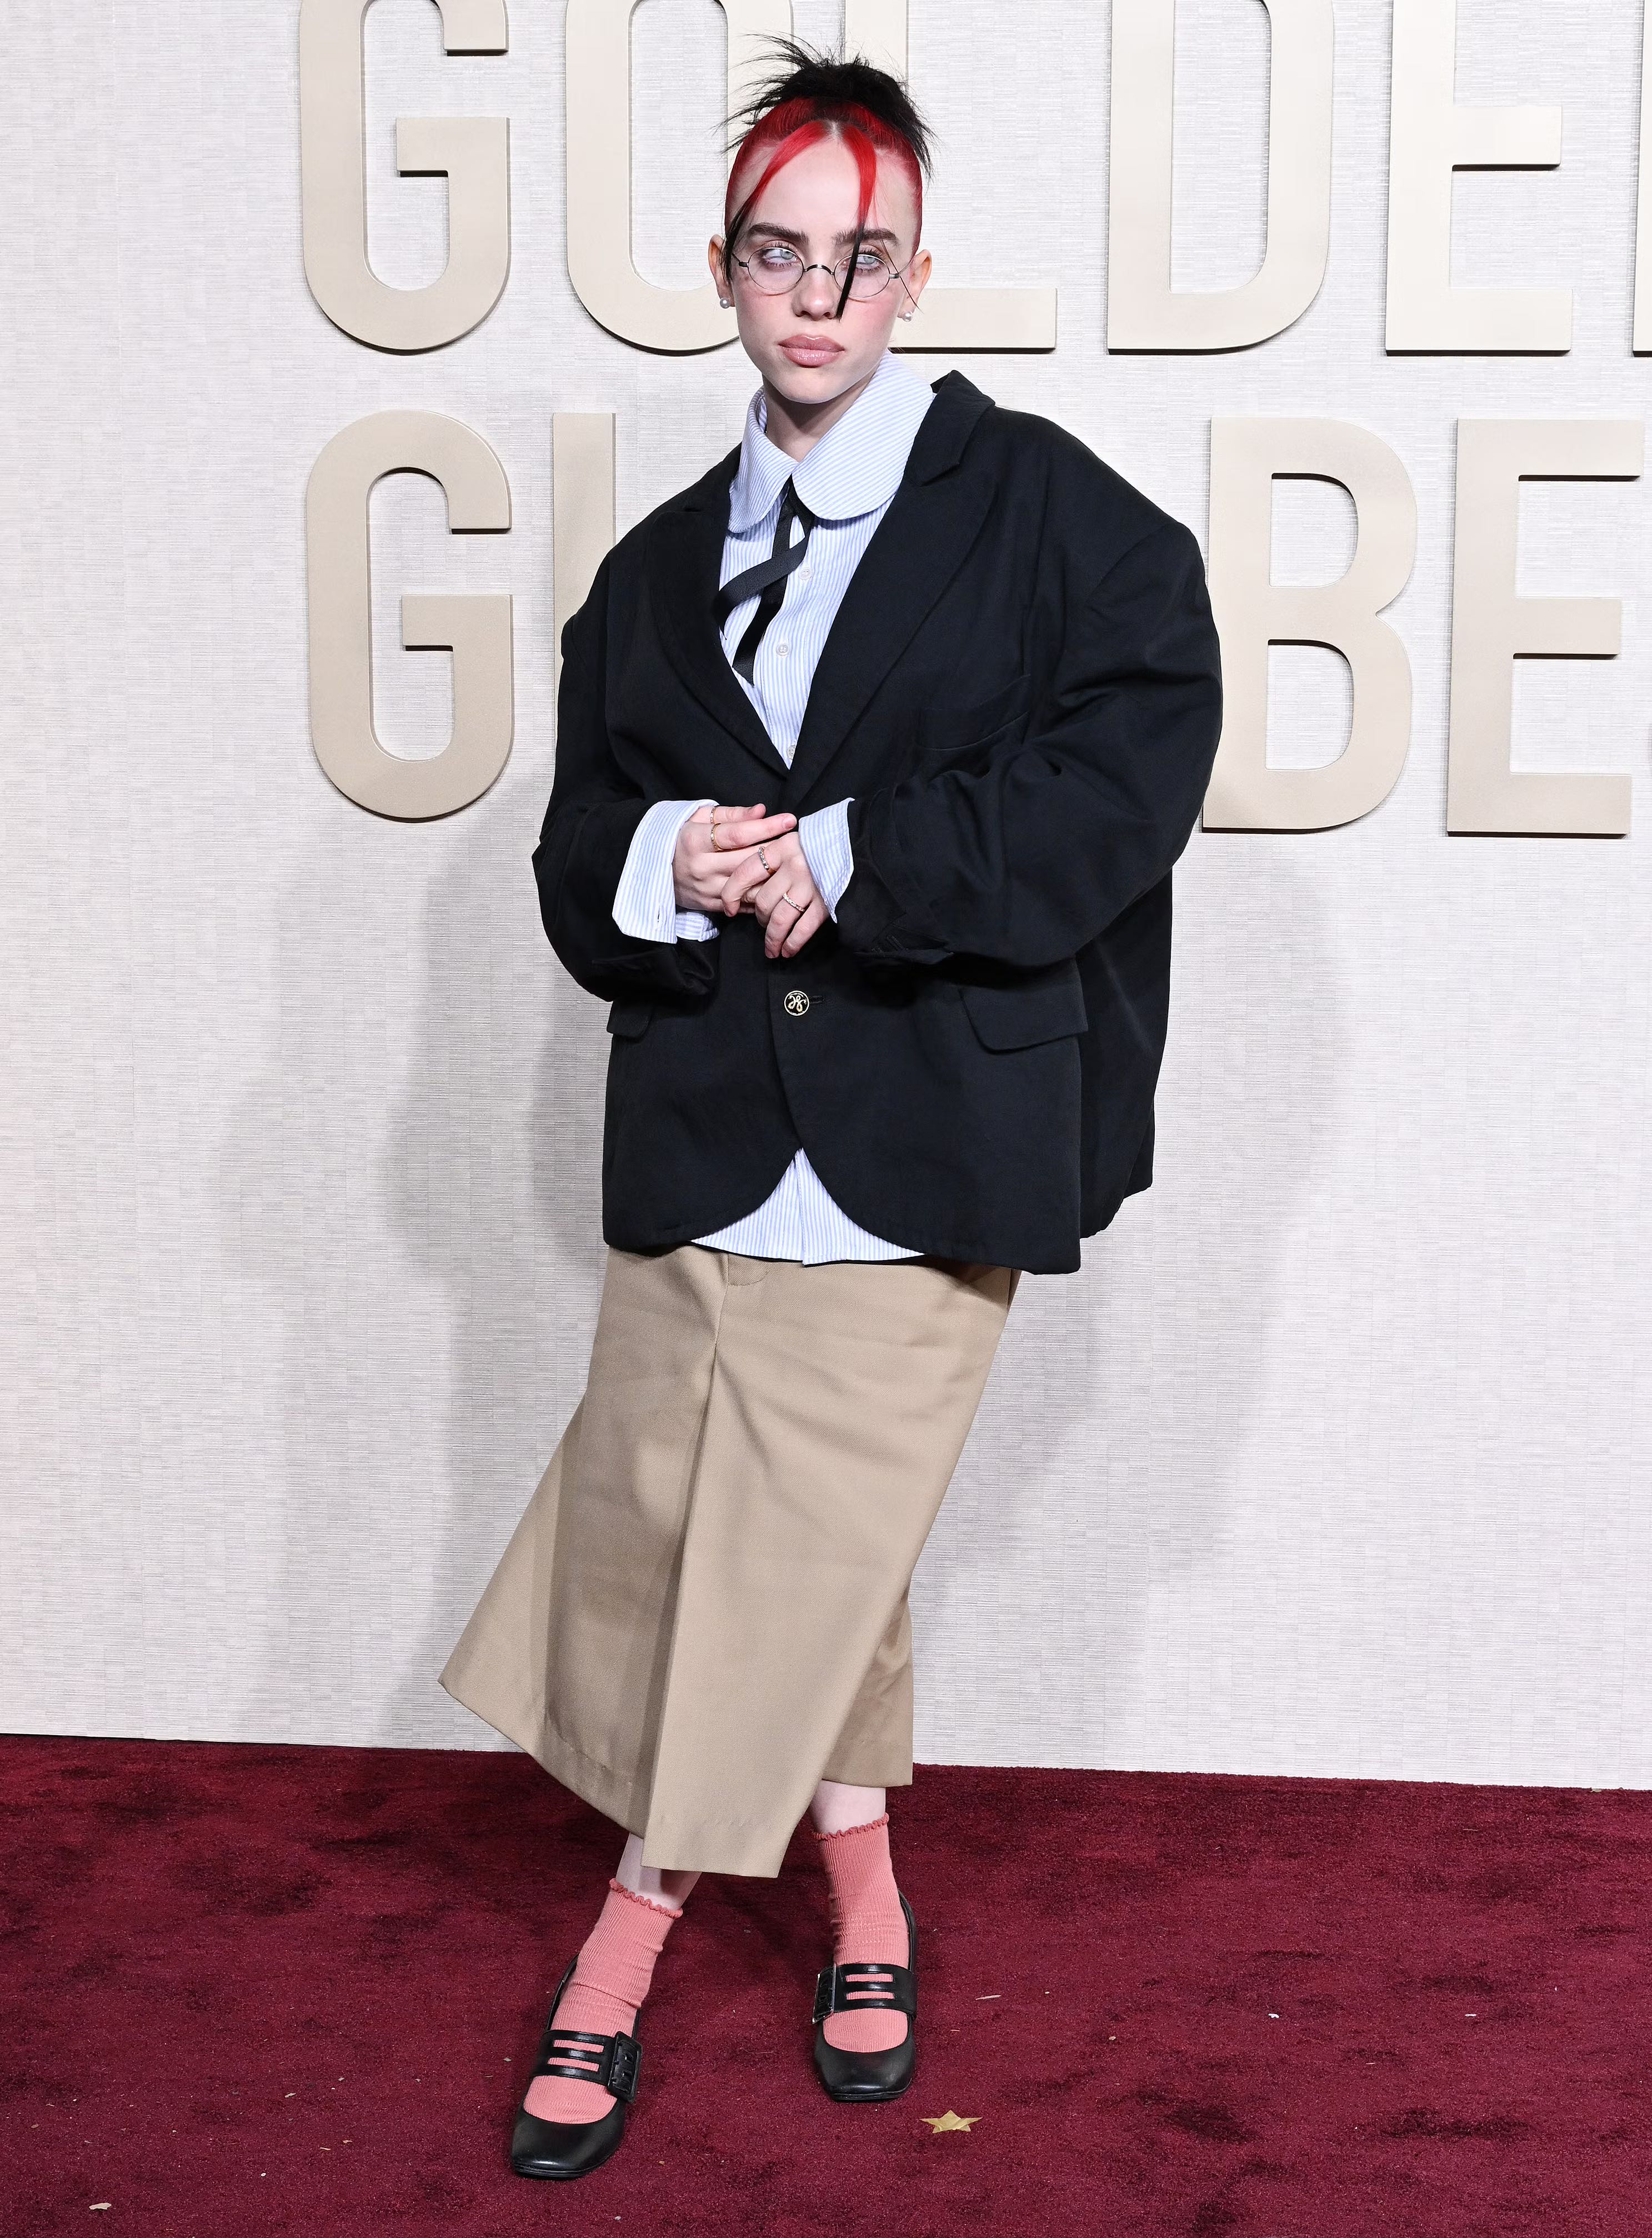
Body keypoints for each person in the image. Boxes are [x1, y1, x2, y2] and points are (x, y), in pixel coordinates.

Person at [439, 41, 1223, 2182]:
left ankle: (622, 1941)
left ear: (917, 274)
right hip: (705, 1138)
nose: (818, 297)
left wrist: (866, 857)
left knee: (782, 1553)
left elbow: (1128, 776)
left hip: (929, 1135)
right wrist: (663, 854)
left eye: (860, 260)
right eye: (778, 254)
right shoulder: (652, 571)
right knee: (706, 1530)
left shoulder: (1056, 515)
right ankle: (868, 1902)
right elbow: (573, 857)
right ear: (725, 269)